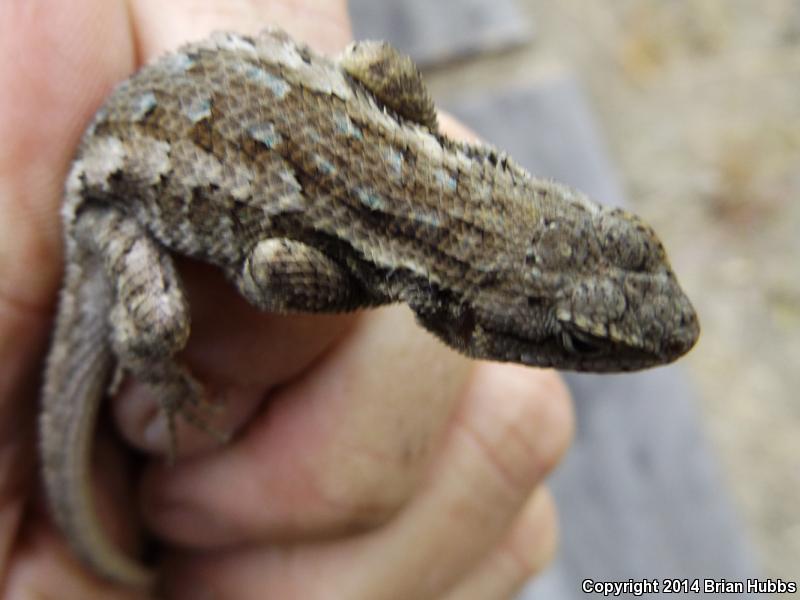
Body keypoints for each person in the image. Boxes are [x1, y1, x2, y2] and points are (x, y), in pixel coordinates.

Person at [0, 1, 573, 597]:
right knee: (159, 322)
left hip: (176, 108)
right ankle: (143, 360)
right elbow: (264, 272)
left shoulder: (415, 130)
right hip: (113, 201)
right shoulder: (371, 266)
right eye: (575, 343)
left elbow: (373, 60)